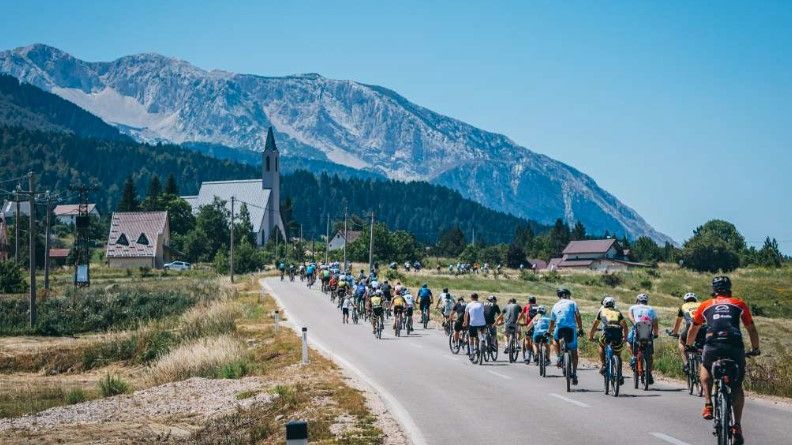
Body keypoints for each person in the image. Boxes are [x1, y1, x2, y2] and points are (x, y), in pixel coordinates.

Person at [687, 276, 760, 445]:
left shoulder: (705, 305)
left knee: (706, 366)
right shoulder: (739, 303)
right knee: (737, 386)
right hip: (734, 344)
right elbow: (751, 327)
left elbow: (694, 328)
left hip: (712, 344)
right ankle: (737, 426)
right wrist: (755, 348)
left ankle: (708, 404)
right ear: (729, 289)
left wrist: (689, 345)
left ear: (714, 290)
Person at [548, 288, 584, 385]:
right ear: (566, 295)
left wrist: (548, 331)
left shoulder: (555, 305)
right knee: (574, 352)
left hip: (559, 328)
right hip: (571, 329)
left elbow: (552, 321)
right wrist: (580, 329)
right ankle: (574, 374)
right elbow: (578, 316)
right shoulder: (572, 303)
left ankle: (558, 357)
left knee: (555, 339)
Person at [588, 296, 628, 384]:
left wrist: (591, 336)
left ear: (604, 304)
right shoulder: (618, 312)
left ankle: (603, 364)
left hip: (607, 334)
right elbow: (625, 326)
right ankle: (619, 374)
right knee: (618, 355)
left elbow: (595, 325)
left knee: (601, 344)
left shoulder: (602, 311)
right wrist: (625, 338)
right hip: (618, 334)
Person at [627, 293, 659, 385]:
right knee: (650, 355)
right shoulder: (651, 309)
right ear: (646, 301)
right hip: (648, 332)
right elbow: (655, 322)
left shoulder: (633, 307)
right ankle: (649, 373)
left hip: (637, 330)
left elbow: (630, 317)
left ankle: (633, 357)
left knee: (628, 342)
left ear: (637, 300)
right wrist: (656, 334)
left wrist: (635, 323)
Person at [669, 292, 706, 373]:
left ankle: (686, 364)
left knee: (681, 341)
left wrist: (674, 333)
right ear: (695, 300)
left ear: (685, 300)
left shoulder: (683, 306)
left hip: (691, 326)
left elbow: (678, 322)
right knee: (703, 346)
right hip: (704, 326)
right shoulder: (701, 304)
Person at [518, 297, 539, 362]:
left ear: (529, 301)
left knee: (527, 338)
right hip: (537, 324)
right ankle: (536, 352)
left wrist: (517, 321)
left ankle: (527, 353)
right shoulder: (537, 306)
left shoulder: (527, 306)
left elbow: (521, 314)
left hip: (529, 324)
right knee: (535, 339)